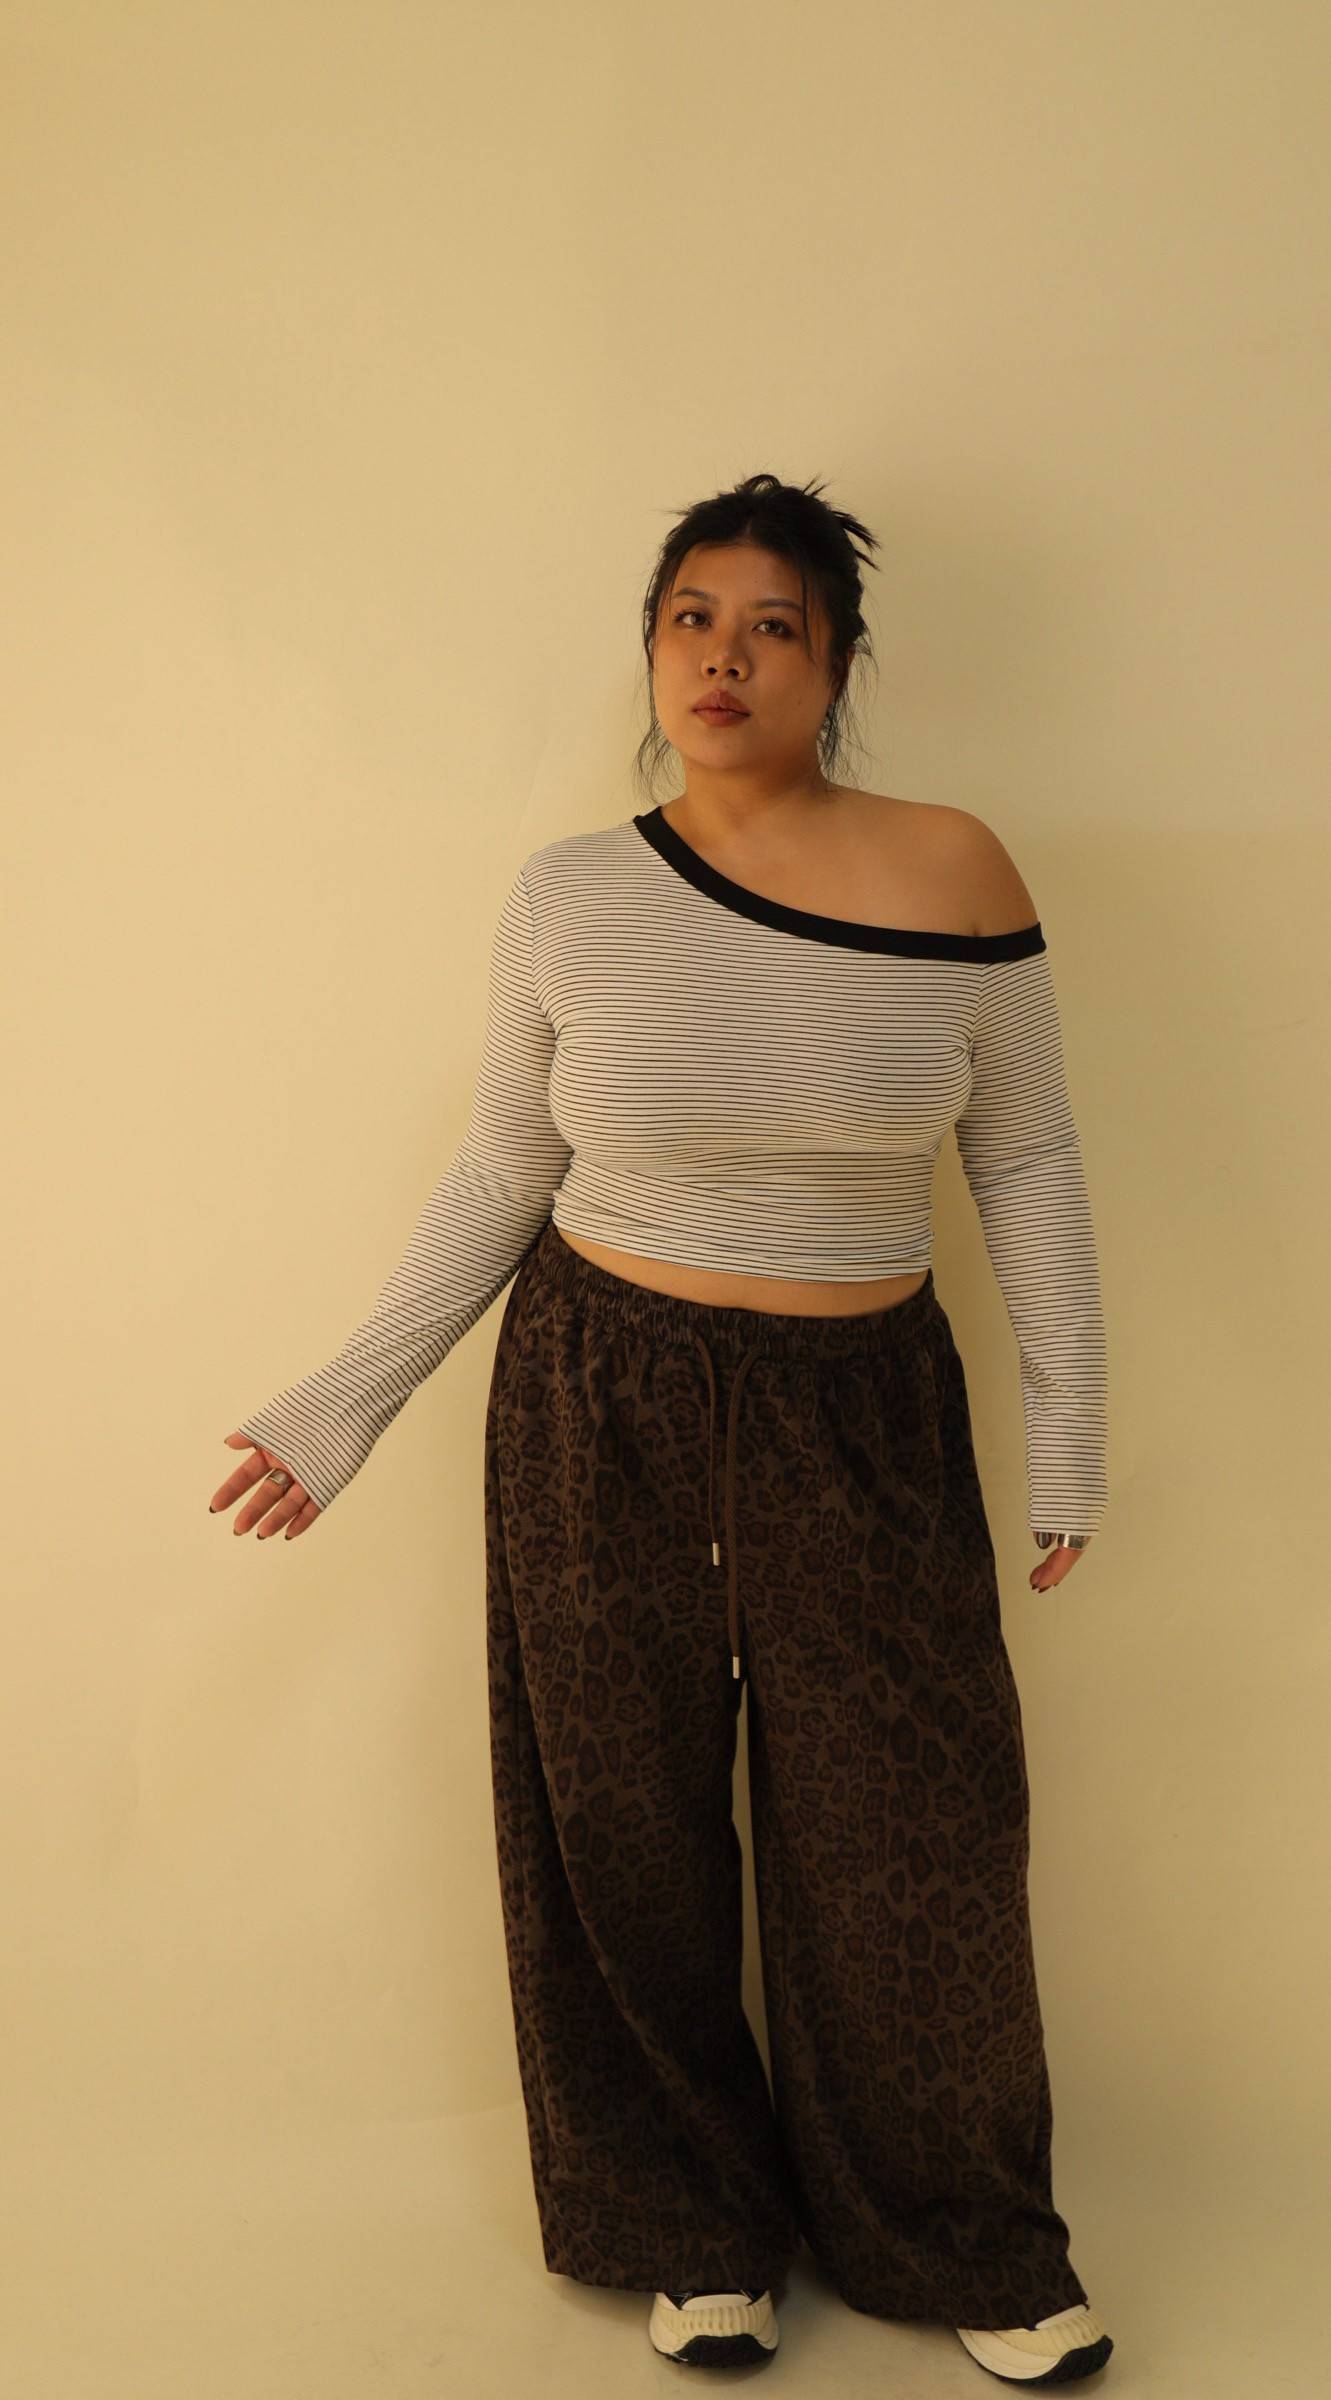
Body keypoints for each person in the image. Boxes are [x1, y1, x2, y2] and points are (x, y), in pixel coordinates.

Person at [210, 472, 1114, 2384]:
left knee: (915, 1823)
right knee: (619, 1822)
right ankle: (689, 2223)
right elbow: (502, 1172)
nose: (726, 657)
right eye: (693, 619)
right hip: (596, 1393)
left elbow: (1027, 1160)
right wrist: (343, 1401)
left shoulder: (957, 869)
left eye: (775, 626)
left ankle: (960, 2226)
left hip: (864, 1410)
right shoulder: (571, 896)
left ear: (836, 666)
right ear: (650, 650)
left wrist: (1072, 1425)